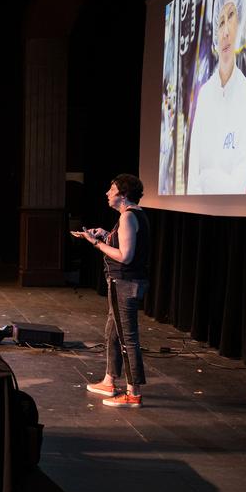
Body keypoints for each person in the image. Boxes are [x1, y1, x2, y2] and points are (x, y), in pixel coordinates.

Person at [76, 174, 151, 407]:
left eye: (112, 189)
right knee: (112, 332)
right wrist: (105, 234)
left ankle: (133, 392)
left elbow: (125, 256)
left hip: (125, 283)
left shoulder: (128, 217)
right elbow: (123, 245)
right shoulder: (130, 216)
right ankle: (110, 380)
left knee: (128, 337)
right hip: (124, 282)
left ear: (124, 194)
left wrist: (96, 243)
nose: (107, 193)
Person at [186, 0, 246, 194]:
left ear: (241, 22)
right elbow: (194, 168)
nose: (225, 31)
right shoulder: (205, 94)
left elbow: (240, 172)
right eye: (220, 21)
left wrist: (209, 178)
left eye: (232, 16)